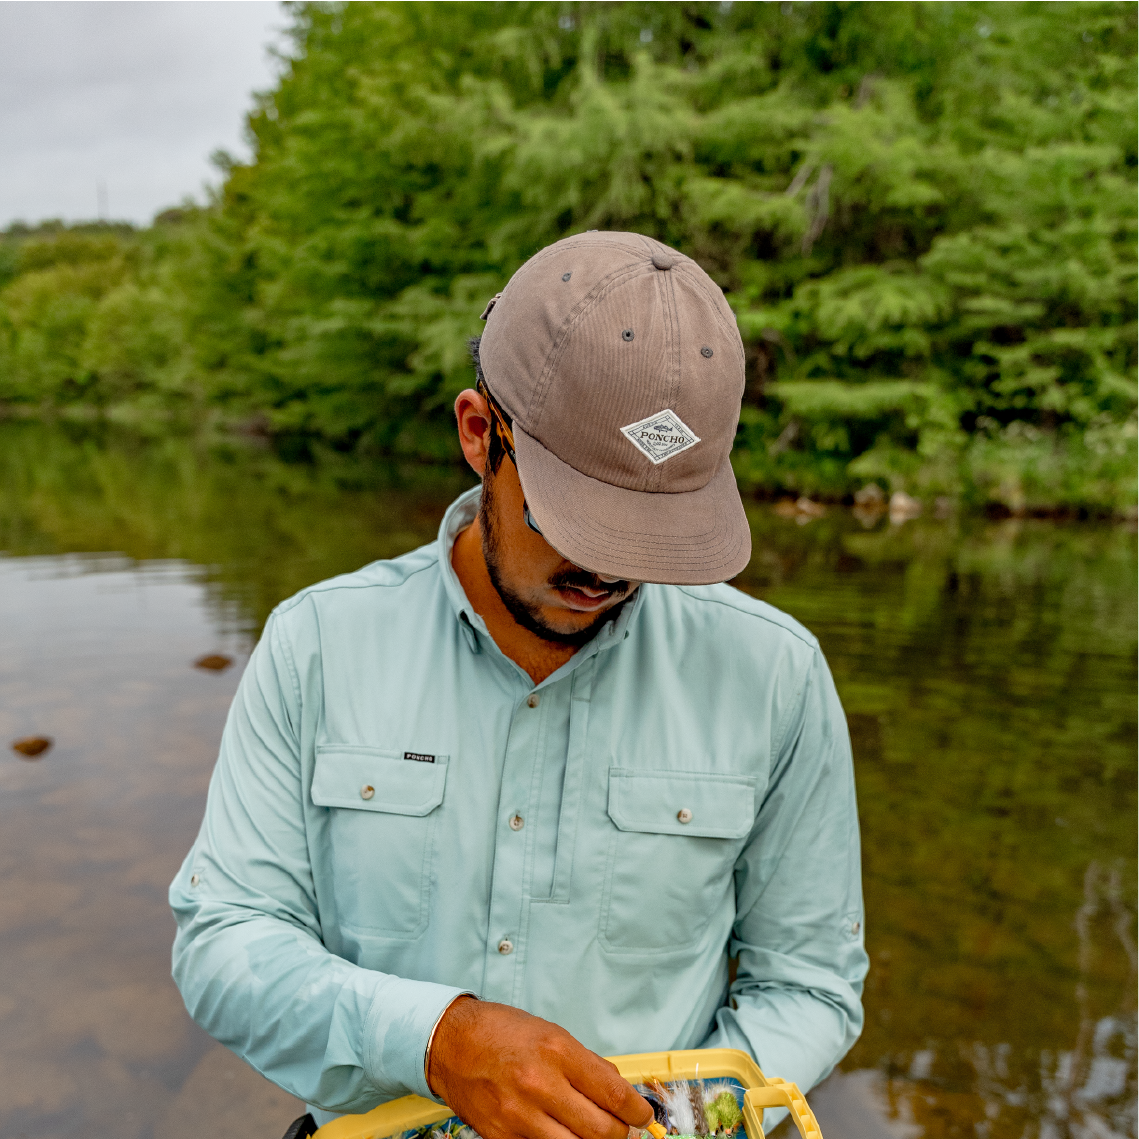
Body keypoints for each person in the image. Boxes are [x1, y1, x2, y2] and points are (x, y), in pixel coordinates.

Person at [170, 232, 867, 1139]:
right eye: (574, 512)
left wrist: (674, 1124)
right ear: (477, 433)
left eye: (650, 529)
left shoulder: (775, 674)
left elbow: (808, 980)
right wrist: (435, 1040)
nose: (608, 566)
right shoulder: (317, 645)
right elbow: (224, 944)